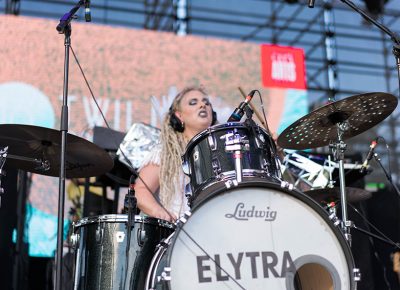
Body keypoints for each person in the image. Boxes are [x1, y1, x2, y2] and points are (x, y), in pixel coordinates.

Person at [135, 86, 217, 222]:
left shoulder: (220, 152)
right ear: (179, 115)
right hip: (176, 234)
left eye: (206, 102)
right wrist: (161, 214)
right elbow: (140, 190)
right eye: (193, 102)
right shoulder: (166, 152)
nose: (203, 105)